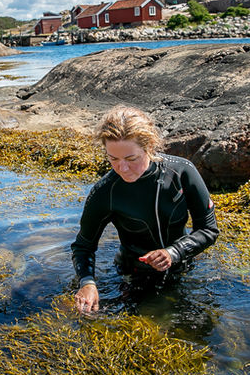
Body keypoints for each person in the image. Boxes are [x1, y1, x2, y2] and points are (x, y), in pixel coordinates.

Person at [71, 105, 219, 313]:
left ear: (148, 146)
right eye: (113, 159)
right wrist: (87, 283)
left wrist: (174, 252)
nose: (122, 168)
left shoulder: (181, 173)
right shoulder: (105, 192)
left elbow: (208, 229)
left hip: (183, 267)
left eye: (131, 159)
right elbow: (83, 246)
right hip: (132, 274)